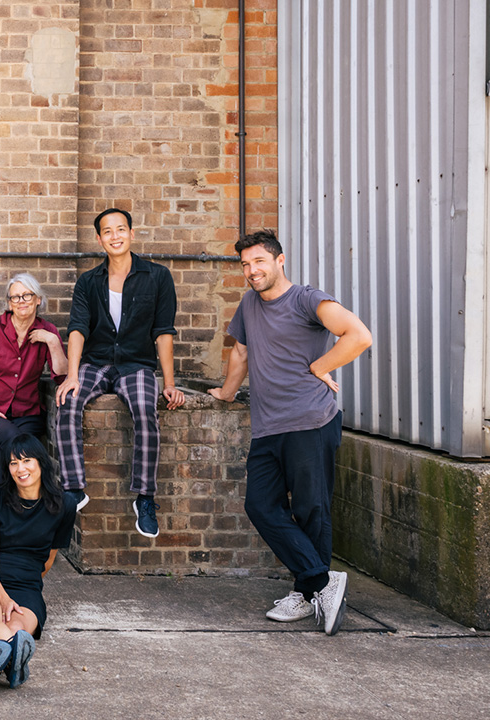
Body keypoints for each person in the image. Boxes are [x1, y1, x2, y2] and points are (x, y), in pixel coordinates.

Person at [209, 229, 371, 636]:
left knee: (311, 509)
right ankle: (320, 583)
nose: (251, 270)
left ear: (280, 261)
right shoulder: (249, 303)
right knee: (260, 506)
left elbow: (358, 335)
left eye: (259, 261)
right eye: (245, 264)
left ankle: (306, 590)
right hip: (268, 426)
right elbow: (242, 351)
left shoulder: (306, 298)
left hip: (310, 421)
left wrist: (320, 366)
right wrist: (227, 392)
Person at [54, 208, 184, 539]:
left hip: (136, 364)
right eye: (107, 232)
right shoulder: (88, 281)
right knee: (68, 403)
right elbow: (78, 328)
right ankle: (73, 488)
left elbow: (164, 333)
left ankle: (144, 497)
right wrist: (72, 375)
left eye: (121, 229)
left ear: (131, 233)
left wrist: (168, 384)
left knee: (144, 408)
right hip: (95, 362)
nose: (115, 236)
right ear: (99, 239)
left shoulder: (157, 277)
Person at [0, 434, 77, 689]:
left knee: (20, 625)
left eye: (27, 460)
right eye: (13, 463)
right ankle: (11, 661)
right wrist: (2, 597)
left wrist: (25, 584)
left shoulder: (64, 505)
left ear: (41, 463)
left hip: (28, 588)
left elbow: (49, 558)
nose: (20, 469)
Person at [0, 273, 68, 450]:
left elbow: (62, 376)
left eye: (27, 295)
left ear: (38, 299)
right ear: (9, 303)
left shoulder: (48, 331)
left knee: (19, 443)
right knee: (18, 443)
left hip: (27, 415)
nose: (21, 301)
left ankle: (3, 479)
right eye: (15, 297)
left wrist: (53, 342)